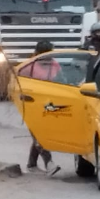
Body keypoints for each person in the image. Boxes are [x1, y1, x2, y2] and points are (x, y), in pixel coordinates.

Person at [27, 41, 62, 176]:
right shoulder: (30, 66)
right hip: (33, 106)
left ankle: (32, 164)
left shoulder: (55, 65)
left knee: (39, 135)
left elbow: (60, 80)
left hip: (49, 106)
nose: (48, 58)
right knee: (39, 135)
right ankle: (49, 164)